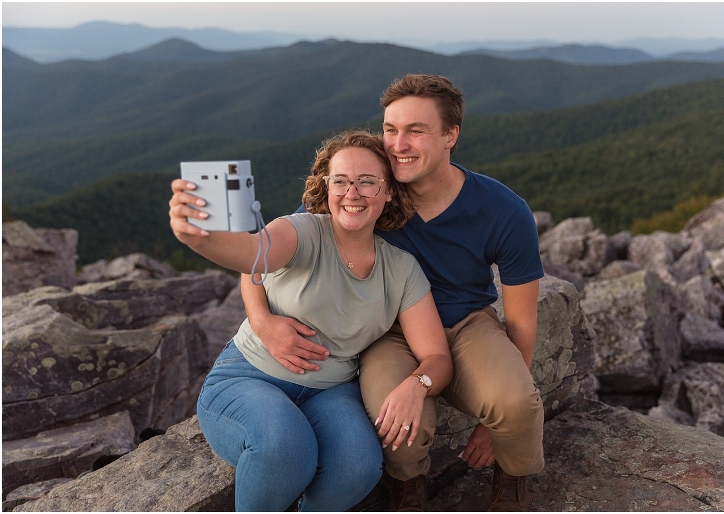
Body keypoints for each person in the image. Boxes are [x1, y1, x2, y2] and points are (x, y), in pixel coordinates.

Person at [242, 74, 545, 512]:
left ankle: (513, 479)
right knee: (392, 414)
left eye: (416, 131)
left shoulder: (504, 210)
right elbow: (262, 253)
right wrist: (261, 320)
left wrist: (495, 428)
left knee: (515, 404)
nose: (398, 144)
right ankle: (408, 488)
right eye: (390, 129)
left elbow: (520, 322)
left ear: (451, 135)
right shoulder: (365, 190)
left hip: (465, 325)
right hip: (387, 329)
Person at [169, 130, 453, 512]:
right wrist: (199, 238)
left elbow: (437, 358)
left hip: (330, 392)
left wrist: (417, 386)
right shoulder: (302, 230)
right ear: (327, 186)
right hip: (250, 375)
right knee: (286, 448)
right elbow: (253, 254)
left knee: (359, 466)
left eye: (367, 182)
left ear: (388, 191)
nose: (352, 193)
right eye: (341, 181)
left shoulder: (401, 270)